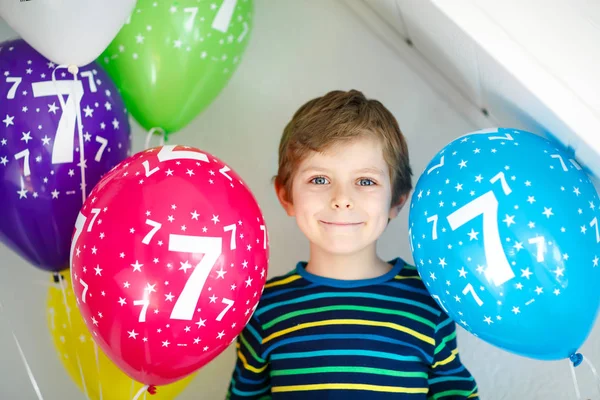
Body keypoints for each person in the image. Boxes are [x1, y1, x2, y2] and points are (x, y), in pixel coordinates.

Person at [226, 89, 478, 399]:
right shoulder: (262, 309)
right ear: (286, 195)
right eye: (319, 179)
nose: (342, 199)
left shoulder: (431, 303)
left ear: (397, 200)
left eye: (366, 181)